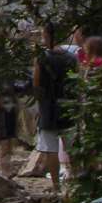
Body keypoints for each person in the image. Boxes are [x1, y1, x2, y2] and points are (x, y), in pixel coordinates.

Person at [33, 23, 77, 192]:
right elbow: (76, 81)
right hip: (68, 106)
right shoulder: (71, 58)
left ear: (47, 35)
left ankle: (56, 187)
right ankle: (75, 181)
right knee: (71, 146)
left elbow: (36, 85)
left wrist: (39, 105)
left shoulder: (41, 58)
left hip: (48, 108)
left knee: (50, 148)